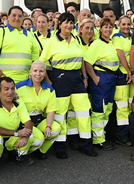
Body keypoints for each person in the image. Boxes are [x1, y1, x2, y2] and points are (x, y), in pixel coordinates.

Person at [40, 12, 96, 157]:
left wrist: (84, 77)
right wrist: (48, 80)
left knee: (83, 112)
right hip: (60, 78)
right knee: (60, 114)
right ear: (60, 24)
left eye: (71, 23)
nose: (69, 25)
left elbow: (82, 59)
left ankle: (86, 144)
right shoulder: (52, 41)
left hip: (76, 78)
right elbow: (42, 62)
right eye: (66, 22)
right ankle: (60, 148)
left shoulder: (76, 39)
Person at [85, 18, 122, 150]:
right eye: (105, 27)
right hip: (101, 78)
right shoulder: (96, 44)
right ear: (100, 29)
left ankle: (102, 135)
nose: (108, 29)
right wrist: (94, 78)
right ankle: (98, 140)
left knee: (108, 108)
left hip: (111, 79)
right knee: (99, 110)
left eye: (110, 27)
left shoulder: (111, 43)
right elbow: (87, 62)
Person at [0, 76, 36, 167]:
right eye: (6, 89)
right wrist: (17, 133)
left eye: (12, 89)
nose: (10, 92)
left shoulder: (18, 102)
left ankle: (15, 156)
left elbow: (28, 122)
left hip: (12, 135)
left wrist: (25, 136)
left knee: (30, 135)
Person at [15, 61, 61, 158]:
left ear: (45, 73)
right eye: (35, 71)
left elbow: (51, 110)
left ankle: (40, 151)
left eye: (41, 71)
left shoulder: (49, 89)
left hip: (39, 120)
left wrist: (48, 126)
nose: (38, 74)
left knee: (55, 129)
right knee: (38, 138)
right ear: (30, 72)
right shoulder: (19, 87)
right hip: (23, 122)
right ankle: (19, 154)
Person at [0, 5, 39, 86]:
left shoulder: (30, 35)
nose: (17, 18)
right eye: (14, 15)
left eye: (20, 16)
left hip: (26, 80)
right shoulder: (1, 32)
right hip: (5, 79)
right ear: (8, 16)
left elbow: (35, 58)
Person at [113, 16, 134, 147]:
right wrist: (128, 71)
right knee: (122, 106)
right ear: (119, 25)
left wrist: (133, 72)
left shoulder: (132, 36)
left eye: (128, 24)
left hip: (133, 74)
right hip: (123, 74)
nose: (126, 27)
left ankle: (132, 132)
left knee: (132, 104)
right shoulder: (117, 37)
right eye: (124, 24)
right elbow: (120, 54)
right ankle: (122, 135)